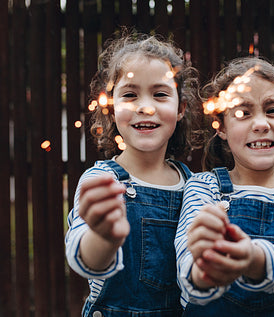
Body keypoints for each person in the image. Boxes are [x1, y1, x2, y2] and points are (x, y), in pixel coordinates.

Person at [175, 57, 274, 316]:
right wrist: (204, 269)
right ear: (222, 127)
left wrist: (250, 257)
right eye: (241, 113)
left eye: (272, 110)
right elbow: (187, 270)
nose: (261, 124)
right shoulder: (202, 187)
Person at [65, 31, 202, 316]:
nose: (145, 107)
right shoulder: (102, 181)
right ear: (112, 109)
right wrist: (103, 237)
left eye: (160, 94)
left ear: (181, 109)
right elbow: (85, 258)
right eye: (129, 94)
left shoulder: (197, 187)